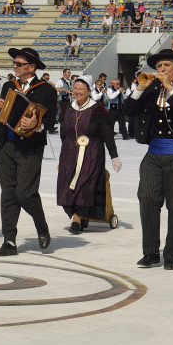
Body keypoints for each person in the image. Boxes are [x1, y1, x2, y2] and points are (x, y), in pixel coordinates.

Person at [123, 48, 173, 270]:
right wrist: (140, 88)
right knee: (147, 198)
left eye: (166, 66)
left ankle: (170, 255)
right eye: (158, 66)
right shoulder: (151, 87)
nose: (161, 70)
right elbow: (129, 110)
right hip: (154, 153)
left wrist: (169, 88)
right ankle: (150, 252)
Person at [0, 47, 59, 256]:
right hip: (6, 146)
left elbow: (50, 120)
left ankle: (41, 226)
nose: (15, 67)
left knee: (25, 193)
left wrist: (35, 124)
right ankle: (9, 240)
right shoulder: (9, 86)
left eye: (19, 64)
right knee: (8, 194)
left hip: (30, 148)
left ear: (32, 67)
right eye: (15, 63)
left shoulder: (47, 89)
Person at [57, 76, 122, 233]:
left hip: (91, 154)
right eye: (76, 88)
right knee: (67, 187)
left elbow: (107, 135)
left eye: (81, 89)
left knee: (84, 186)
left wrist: (114, 156)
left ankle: (77, 219)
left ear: (89, 91)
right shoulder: (67, 108)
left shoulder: (98, 110)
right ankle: (80, 215)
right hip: (69, 153)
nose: (78, 92)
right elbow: (63, 134)